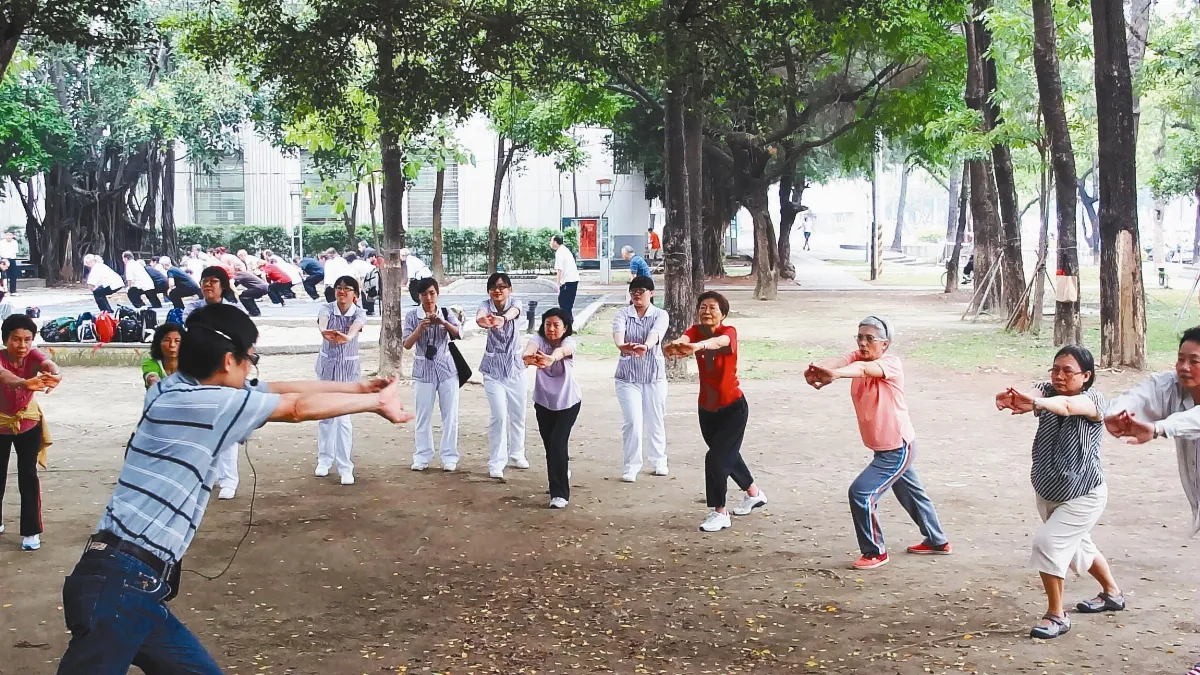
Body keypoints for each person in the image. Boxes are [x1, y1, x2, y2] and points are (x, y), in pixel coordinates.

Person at [55, 303, 411, 675]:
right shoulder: (206, 403)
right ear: (228, 361)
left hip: (134, 584)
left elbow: (278, 388)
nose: (251, 371)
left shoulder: (175, 388)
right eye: (250, 360)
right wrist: (374, 403)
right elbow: (293, 407)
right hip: (121, 588)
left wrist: (358, 386)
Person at [995, 345, 1122, 639]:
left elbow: (1066, 406)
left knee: (1048, 544)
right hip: (1048, 490)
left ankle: (1057, 615)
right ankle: (1113, 594)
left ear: (1086, 376)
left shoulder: (1094, 400)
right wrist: (1013, 396)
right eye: (1055, 369)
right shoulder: (1048, 391)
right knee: (1080, 547)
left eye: (1068, 371)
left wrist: (1036, 403)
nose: (1059, 376)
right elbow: (1031, 391)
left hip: (1084, 494)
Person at [804, 316, 951, 570]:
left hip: (898, 447)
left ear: (885, 344)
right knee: (911, 494)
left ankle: (875, 552)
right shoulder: (856, 357)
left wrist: (835, 375)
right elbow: (839, 361)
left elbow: (859, 370)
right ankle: (937, 541)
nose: (863, 343)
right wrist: (816, 369)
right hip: (884, 447)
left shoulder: (890, 364)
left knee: (861, 493)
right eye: (860, 337)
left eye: (869, 338)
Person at [1104, 327, 1200, 672]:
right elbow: (1141, 393)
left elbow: (1193, 421)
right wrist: (1119, 414)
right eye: (1181, 359)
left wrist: (1159, 428)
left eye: (1195, 361)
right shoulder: (1173, 387)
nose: (1184, 367)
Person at [664, 291, 766, 532]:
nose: (706, 311)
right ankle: (754, 494)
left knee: (716, 458)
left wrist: (697, 347)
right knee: (726, 454)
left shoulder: (728, 332)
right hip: (706, 408)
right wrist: (676, 346)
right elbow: (684, 338)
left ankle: (719, 512)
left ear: (723, 314)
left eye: (712, 308)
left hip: (733, 407)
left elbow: (719, 343)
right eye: (702, 307)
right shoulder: (695, 330)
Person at [0, 314, 61, 551]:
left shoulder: (33, 355)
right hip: (1, 424)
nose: (22, 345)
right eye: (16, 339)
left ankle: (31, 531)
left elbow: (48, 364)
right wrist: (24, 383)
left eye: (27, 339)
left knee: (28, 475)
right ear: (6, 340)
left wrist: (56, 374)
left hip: (28, 422)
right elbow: (4, 376)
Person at [612, 276, 669, 482]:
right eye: (633, 290)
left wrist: (646, 345)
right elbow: (618, 335)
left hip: (654, 376)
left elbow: (656, 334)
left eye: (641, 290)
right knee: (633, 422)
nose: (637, 294)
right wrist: (621, 346)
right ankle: (631, 465)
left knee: (655, 419)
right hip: (627, 378)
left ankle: (659, 461)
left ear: (651, 293)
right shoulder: (622, 314)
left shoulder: (660, 315)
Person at [521, 308, 580, 508]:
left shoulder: (568, 342)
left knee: (557, 443)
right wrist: (528, 357)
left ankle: (559, 494)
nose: (551, 329)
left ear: (565, 328)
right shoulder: (538, 339)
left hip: (568, 403)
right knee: (550, 447)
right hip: (544, 402)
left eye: (556, 325)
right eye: (548, 324)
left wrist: (551, 358)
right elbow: (529, 348)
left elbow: (562, 352)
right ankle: (560, 470)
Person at [403, 278, 463, 472]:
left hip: (447, 369)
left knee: (450, 415)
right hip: (423, 370)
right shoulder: (412, 316)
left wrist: (442, 322)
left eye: (431, 293)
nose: (428, 298)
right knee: (423, 415)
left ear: (437, 293)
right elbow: (406, 343)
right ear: (418, 296)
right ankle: (422, 455)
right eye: (423, 294)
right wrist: (420, 327)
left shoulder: (445, 312)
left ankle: (449, 456)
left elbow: (458, 333)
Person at [315, 276, 369, 485]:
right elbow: (323, 323)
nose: (342, 292)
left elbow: (356, 326)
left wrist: (347, 337)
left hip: (348, 372)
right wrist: (325, 332)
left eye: (347, 289)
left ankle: (345, 467)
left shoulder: (359, 312)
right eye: (339, 288)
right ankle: (324, 459)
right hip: (327, 370)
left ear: (355, 293)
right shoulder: (327, 308)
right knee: (326, 416)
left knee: (344, 420)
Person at [476, 272, 527, 480]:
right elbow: (480, 316)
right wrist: (484, 321)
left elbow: (515, 312)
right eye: (494, 287)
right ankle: (497, 462)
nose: (498, 290)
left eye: (502, 286)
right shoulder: (485, 304)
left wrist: (502, 318)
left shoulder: (515, 302)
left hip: (515, 367)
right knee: (498, 414)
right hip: (492, 369)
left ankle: (517, 453)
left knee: (518, 413)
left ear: (509, 289)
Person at [142, 323, 182, 389]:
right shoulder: (151, 363)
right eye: (167, 340)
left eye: (177, 341)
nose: (172, 345)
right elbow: (152, 378)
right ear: (158, 343)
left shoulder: (189, 365)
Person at [551, 235, 580, 321]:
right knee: (568, 304)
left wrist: (558, 284)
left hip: (568, 281)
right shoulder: (565, 250)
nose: (550, 243)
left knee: (563, 303)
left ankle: (567, 323)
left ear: (555, 242)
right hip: (573, 280)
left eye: (551, 241)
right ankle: (569, 321)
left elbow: (560, 269)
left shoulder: (560, 252)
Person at [0, 231, 19, 295]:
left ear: (12, 236)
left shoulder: (15, 242)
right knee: (4, 276)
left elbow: (15, 251)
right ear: (5, 235)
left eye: (10, 235)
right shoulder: (2, 242)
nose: (9, 236)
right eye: (7, 235)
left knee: (13, 275)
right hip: (4, 259)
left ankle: (13, 291)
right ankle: (4, 290)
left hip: (12, 259)